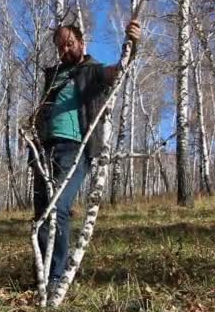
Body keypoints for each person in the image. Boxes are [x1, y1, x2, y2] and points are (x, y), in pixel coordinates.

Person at [32, 21, 141, 293]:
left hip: (75, 148)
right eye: (60, 46)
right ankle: (43, 276)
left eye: (69, 44)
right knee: (42, 213)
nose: (65, 50)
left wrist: (133, 44)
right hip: (45, 149)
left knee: (58, 208)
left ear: (82, 43)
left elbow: (117, 72)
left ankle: (57, 278)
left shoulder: (91, 71)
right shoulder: (54, 75)